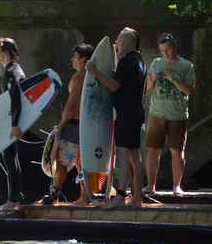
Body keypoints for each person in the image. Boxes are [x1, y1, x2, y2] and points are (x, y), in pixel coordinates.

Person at [86, 28, 147, 208]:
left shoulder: (126, 61)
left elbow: (114, 86)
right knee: (135, 157)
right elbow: (126, 83)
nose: (116, 42)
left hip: (126, 114)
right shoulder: (139, 60)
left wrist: (95, 71)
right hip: (136, 112)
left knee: (122, 154)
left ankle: (120, 196)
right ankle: (137, 198)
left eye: (119, 38)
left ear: (128, 41)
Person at [145, 33, 196, 197]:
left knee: (177, 150)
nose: (165, 54)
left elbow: (190, 91)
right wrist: (152, 80)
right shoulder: (156, 63)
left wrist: (172, 78)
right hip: (156, 113)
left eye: (167, 50)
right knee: (153, 150)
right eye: (162, 51)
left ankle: (176, 186)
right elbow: (147, 90)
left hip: (178, 115)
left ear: (174, 47)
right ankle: (151, 186)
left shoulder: (187, 66)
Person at [43, 43, 93, 205]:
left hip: (73, 124)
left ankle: (68, 196)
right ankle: (67, 195)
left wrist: (62, 124)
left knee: (63, 161)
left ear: (84, 59)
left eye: (75, 57)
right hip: (86, 125)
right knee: (79, 161)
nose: (72, 60)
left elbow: (71, 105)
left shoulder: (79, 76)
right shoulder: (93, 76)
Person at [0, 37, 26, 214]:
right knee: (12, 159)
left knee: (10, 159)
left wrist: (14, 124)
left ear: (4, 52)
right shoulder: (16, 69)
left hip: (11, 122)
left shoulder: (11, 71)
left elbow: (16, 99)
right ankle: (15, 199)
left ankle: (12, 201)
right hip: (11, 120)